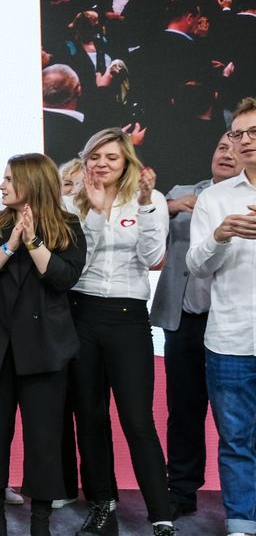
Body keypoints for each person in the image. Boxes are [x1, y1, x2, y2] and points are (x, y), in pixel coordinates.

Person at [0, 154, 87, 536]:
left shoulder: (67, 226)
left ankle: (40, 522)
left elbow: (63, 278)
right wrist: (11, 244)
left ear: (32, 183)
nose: (0, 185)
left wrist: (32, 241)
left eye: (9, 179)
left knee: (45, 440)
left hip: (45, 351)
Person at [66, 128, 176, 536]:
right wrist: (94, 213)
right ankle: (102, 506)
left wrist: (146, 205)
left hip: (129, 318)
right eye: (95, 156)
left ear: (127, 161)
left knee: (136, 418)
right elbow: (77, 263)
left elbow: (152, 258)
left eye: (111, 157)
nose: (102, 164)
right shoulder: (70, 201)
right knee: (91, 417)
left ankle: (161, 515)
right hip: (82, 314)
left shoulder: (150, 200)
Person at [151, 133, 239, 519]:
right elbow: (152, 229)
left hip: (232, 318)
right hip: (184, 317)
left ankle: (239, 495)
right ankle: (182, 489)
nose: (227, 153)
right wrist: (169, 205)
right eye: (221, 146)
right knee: (183, 408)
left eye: (237, 149)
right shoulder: (186, 192)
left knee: (235, 414)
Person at [186, 96, 256, 536]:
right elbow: (196, 265)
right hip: (231, 338)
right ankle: (242, 522)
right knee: (235, 440)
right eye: (238, 133)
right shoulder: (215, 198)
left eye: (253, 133)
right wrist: (220, 235)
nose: (245, 141)